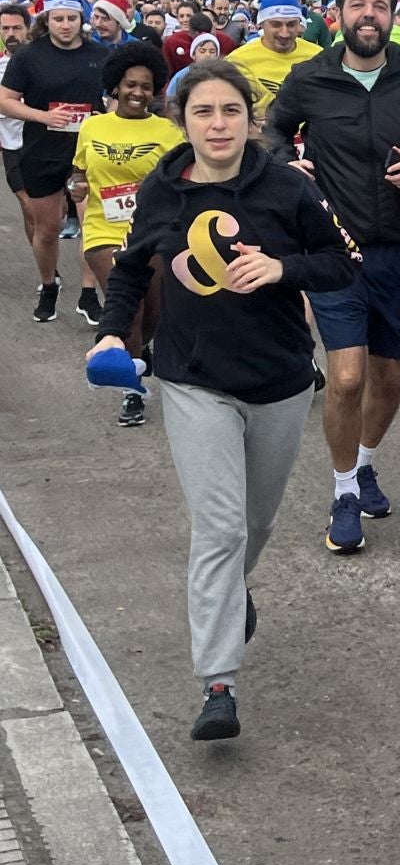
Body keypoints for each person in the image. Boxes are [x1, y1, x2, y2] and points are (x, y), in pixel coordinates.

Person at [87, 58, 356, 742]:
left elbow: (336, 260)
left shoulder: (285, 189)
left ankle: (231, 596)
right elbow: (129, 269)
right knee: (221, 528)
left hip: (280, 381)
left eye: (230, 111)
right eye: (203, 111)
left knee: (256, 526)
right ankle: (218, 682)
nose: (217, 124)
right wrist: (111, 334)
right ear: (184, 120)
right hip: (193, 378)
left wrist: (282, 268)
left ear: (251, 121)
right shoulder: (164, 189)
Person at [264, 0, 400, 555]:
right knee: (346, 378)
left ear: (391, 17)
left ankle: (366, 461)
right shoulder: (312, 76)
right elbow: (275, 128)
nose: (369, 15)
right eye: (358, 6)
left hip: (399, 246)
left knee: (390, 378)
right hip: (333, 249)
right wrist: (285, 162)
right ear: (340, 15)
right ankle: (344, 490)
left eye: (379, 5)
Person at [68, 42, 181, 422]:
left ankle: (139, 353)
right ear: (115, 87)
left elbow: (182, 180)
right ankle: (132, 390)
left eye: (145, 86)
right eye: (130, 85)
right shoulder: (93, 126)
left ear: (155, 90)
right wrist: (76, 188)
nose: (137, 92)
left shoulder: (167, 131)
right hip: (104, 231)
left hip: (152, 232)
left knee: (154, 315)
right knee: (128, 312)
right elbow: (79, 174)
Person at [0, 0, 109, 323]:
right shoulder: (29, 57)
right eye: (58, 19)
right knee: (47, 229)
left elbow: (113, 97)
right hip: (42, 151)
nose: (65, 25)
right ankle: (49, 284)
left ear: (81, 20)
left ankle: (89, 294)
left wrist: (106, 121)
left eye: (72, 18)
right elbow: (5, 100)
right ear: (47, 20)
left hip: (87, 153)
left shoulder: (100, 55)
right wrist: (42, 116)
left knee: (91, 225)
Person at [225, 0, 322, 108]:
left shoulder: (319, 57)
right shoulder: (237, 62)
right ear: (261, 24)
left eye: (291, 24)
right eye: (276, 25)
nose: (284, 33)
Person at [0, 3, 32, 246]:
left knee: (53, 212)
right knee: (27, 205)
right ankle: (49, 272)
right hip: (12, 146)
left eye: (16, 28)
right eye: (5, 28)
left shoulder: (42, 62)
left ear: (27, 29)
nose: (11, 34)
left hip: (47, 144)